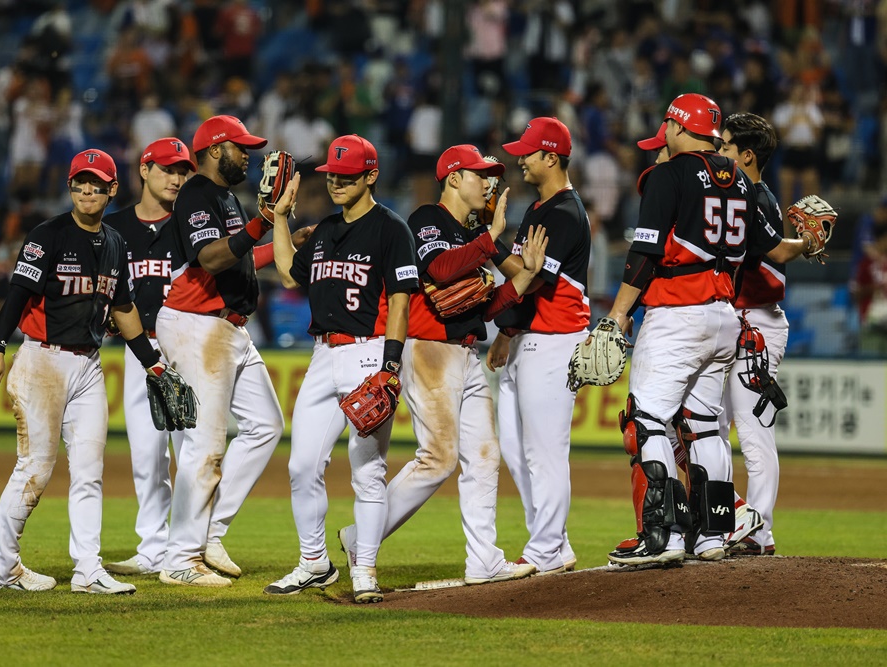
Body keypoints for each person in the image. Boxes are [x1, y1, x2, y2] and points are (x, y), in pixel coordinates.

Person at [603, 95, 819, 567]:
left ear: (680, 126)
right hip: (724, 316)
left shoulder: (668, 174)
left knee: (648, 419)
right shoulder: (740, 180)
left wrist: (618, 314)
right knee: (704, 427)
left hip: (678, 311)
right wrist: (807, 241)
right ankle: (713, 534)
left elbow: (645, 253)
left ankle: (664, 535)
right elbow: (771, 248)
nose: (664, 133)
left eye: (667, 124)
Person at [338, 145, 550, 585]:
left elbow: (483, 305)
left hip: (466, 351)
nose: (488, 183)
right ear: (454, 178)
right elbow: (439, 266)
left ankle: (484, 560)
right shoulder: (426, 220)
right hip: (430, 350)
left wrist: (524, 277)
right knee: (437, 458)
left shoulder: (467, 231)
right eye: (479, 175)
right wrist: (490, 239)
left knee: (484, 457)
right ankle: (362, 538)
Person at [0, 148, 174, 594]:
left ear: (111, 189)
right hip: (42, 359)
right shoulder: (48, 235)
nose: (87, 189)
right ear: (70, 187)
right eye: (80, 182)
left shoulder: (116, 243)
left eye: (96, 183)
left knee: (89, 469)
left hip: (88, 364)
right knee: (36, 469)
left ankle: (88, 568)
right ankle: (2, 566)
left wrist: (153, 364)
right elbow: (18, 293)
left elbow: (123, 309)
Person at [267, 134, 419, 603]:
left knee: (367, 470)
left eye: (346, 174)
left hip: (370, 355)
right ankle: (314, 561)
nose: (335, 180)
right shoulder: (327, 229)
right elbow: (290, 271)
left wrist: (390, 366)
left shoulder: (392, 229)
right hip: (322, 355)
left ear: (370, 175)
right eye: (331, 173)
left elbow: (400, 300)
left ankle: (366, 569)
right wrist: (278, 218)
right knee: (300, 464)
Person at [155, 116, 284, 587]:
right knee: (205, 446)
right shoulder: (195, 194)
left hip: (227, 326)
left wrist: (277, 239)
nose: (248, 155)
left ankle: (209, 530)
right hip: (197, 325)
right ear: (214, 150)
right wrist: (260, 223)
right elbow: (210, 257)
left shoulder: (226, 197)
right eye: (240, 147)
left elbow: (239, 257)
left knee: (267, 425)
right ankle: (180, 559)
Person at [485, 117, 591, 576]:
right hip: (529, 337)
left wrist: (484, 243)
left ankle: (546, 546)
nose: (519, 159)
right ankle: (555, 542)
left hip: (555, 340)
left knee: (545, 451)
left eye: (528, 152)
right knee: (514, 447)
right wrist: (507, 335)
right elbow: (521, 276)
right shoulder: (537, 210)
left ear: (551, 157)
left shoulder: (564, 214)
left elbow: (527, 280)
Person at [101, 138, 196, 576]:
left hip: (187, 347)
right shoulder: (114, 227)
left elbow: (236, 262)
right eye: (167, 169)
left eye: (182, 171)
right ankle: (153, 549)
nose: (176, 178)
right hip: (140, 349)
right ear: (144, 170)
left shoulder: (191, 224)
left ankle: (188, 548)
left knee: (191, 453)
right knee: (147, 456)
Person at [718, 112, 804, 557]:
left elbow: (776, 252)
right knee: (711, 427)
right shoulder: (741, 193)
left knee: (753, 432)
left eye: (727, 146)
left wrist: (806, 245)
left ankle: (760, 529)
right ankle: (725, 522)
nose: (720, 151)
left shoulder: (753, 195)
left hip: (758, 322)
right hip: (737, 319)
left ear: (747, 155)